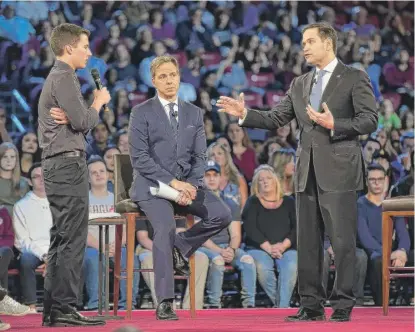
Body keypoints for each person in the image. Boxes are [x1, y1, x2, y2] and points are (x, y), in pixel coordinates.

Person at [217, 22, 378, 322]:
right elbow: (277, 117)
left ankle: (342, 304)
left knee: (342, 241)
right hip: (306, 173)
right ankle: (311, 305)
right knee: (308, 242)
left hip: (340, 172)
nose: (304, 46)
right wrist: (245, 114)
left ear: (328, 44)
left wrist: (336, 125)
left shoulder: (354, 77)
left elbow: (370, 120)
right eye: (303, 41)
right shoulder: (300, 83)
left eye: (310, 41)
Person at [128, 55, 232, 320]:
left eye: (172, 75)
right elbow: (140, 158)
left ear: (179, 76)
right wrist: (174, 183)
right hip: (153, 187)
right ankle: (164, 301)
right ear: (153, 81)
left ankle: (182, 245)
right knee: (165, 227)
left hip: (187, 185)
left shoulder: (194, 112)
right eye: (162, 76)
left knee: (222, 214)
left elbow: (199, 157)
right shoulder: (140, 113)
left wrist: (194, 185)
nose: (169, 80)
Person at [37, 23, 110, 327]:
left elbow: (75, 119)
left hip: (58, 165)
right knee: (72, 239)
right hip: (67, 165)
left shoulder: (56, 78)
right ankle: (64, 307)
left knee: (62, 237)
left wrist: (77, 115)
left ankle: (54, 308)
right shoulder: (65, 77)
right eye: (84, 46)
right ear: (69, 48)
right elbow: (82, 121)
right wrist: (97, 103)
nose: (89, 52)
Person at [13, 163, 52, 313]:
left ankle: (70, 304)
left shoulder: (60, 204)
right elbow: (21, 241)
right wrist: (45, 256)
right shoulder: (21, 206)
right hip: (33, 251)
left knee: (72, 256)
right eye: (36, 177)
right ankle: (31, 305)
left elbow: (65, 233)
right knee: (26, 259)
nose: (41, 179)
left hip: (55, 249)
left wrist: (52, 255)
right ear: (29, 181)